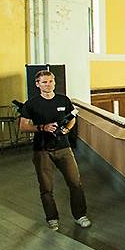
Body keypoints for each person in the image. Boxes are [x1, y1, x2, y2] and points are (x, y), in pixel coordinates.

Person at [18, 69, 91, 230]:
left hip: (64, 148)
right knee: (46, 187)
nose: (48, 84)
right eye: (44, 82)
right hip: (42, 150)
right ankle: (52, 218)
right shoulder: (31, 104)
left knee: (75, 183)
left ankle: (80, 215)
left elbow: (72, 119)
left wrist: (67, 129)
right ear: (37, 84)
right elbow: (23, 126)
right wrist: (43, 127)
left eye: (50, 81)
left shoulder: (63, 100)